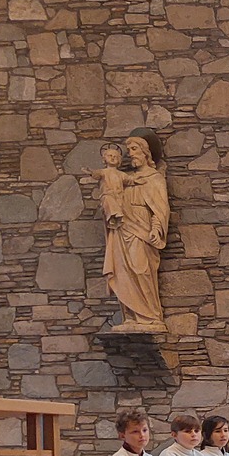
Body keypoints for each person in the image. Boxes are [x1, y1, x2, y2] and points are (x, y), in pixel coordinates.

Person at [100, 131, 169, 331]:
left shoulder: (155, 178)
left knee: (141, 269)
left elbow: (160, 208)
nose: (130, 153)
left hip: (142, 229)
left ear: (145, 152)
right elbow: (110, 196)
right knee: (123, 272)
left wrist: (156, 228)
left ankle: (150, 316)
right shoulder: (125, 179)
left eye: (133, 149)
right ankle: (130, 316)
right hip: (122, 228)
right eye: (128, 150)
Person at [87, 143, 129, 225]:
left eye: (115, 157)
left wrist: (139, 179)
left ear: (119, 160)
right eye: (110, 156)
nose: (112, 158)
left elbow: (129, 180)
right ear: (104, 159)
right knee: (108, 200)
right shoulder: (103, 172)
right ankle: (113, 216)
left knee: (121, 205)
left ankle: (117, 217)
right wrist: (92, 172)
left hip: (119, 196)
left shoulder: (121, 174)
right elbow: (96, 174)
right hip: (108, 194)